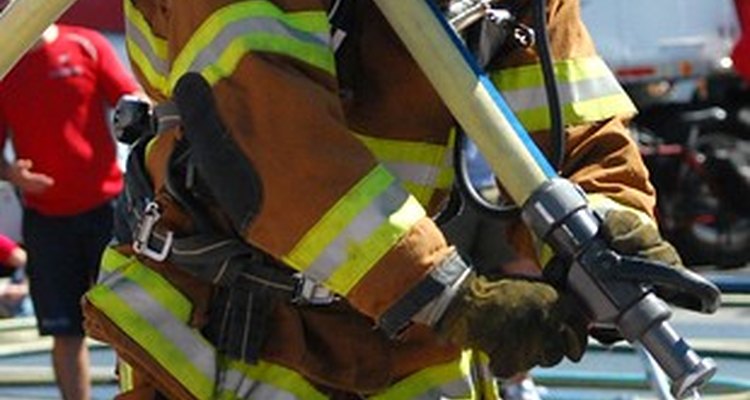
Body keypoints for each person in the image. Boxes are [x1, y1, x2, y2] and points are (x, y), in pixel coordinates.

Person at [82, 0, 686, 399]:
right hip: (234, 328)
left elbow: (569, 126)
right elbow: (269, 135)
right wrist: (454, 297)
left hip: (405, 332)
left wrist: (615, 226)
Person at [0, 22, 142, 400]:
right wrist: (10, 172)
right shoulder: (5, 60)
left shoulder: (87, 44)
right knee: (65, 332)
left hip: (107, 211)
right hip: (46, 221)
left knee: (126, 325)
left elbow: (133, 101)